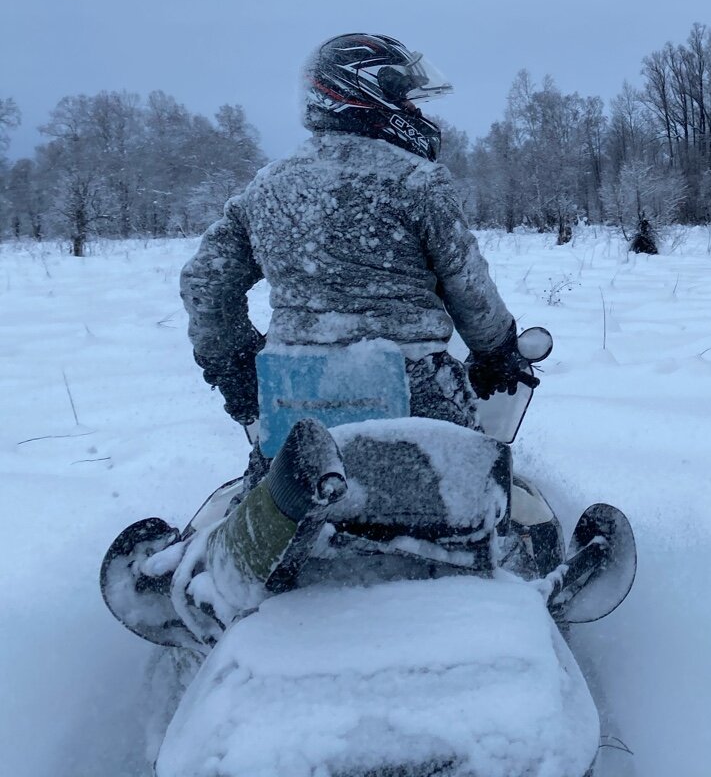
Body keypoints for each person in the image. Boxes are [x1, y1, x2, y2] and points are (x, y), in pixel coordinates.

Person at [102, 34, 552, 647]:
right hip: (418, 393)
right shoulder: (419, 183)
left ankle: (218, 588)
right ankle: (514, 586)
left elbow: (206, 283)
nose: (420, 115)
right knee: (478, 512)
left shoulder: (268, 188)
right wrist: (497, 349)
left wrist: (235, 368)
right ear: (373, 97)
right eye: (408, 99)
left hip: (294, 404)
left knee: (267, 511)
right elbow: (468, 288)